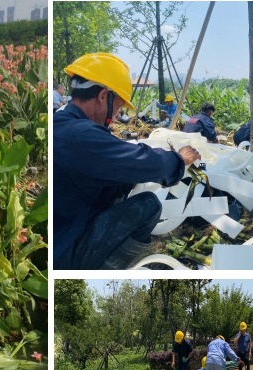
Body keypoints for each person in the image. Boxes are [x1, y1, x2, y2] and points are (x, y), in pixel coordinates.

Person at [54, 52, 201, 271]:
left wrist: (128, 180)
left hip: (63, 225)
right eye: (119, 106)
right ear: (104, 96)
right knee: (148, 206)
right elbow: (143, 161)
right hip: (63, 250)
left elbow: (102, 169)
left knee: (118, 185)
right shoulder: (81, 135)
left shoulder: (62, 121)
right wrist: (179, 160)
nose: (117, 115)